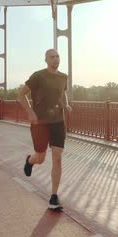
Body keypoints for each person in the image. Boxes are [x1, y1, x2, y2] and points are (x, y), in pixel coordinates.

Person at [17, 49, 72, 211]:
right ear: (46, 60)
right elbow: (20, 95)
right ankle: (30, 161)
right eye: (52, 57)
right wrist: (30, 112)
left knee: (57, 158)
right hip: (40, 122)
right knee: (40, 158)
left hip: (57, 122)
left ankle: (54, 196)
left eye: (57, 56)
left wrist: (65, 104)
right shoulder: (38, 76)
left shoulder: (63, 77)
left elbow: (62, 94)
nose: (56, 59)